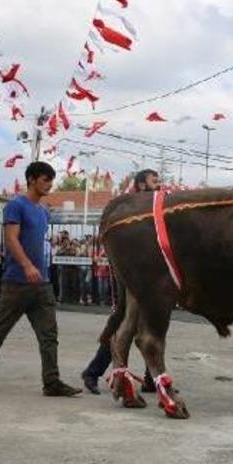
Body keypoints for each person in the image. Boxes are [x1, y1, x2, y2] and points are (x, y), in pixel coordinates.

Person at [0, 162, 81, 397]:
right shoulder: (16, 205)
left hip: (42, 283)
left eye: (51, 180)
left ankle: (52, 382)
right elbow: (11, 239)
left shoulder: (42, 211)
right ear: (31, 179)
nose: (49, 184)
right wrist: (27, 265)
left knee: (49, 335)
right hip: (16, 282)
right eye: (45, 179)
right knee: (0, 331)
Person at [81, 169, 159, 394]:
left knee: (150, 326)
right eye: (155, 181)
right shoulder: (131, 210)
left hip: (148, 277)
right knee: (126, 325)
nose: (159, 185)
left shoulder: (151, 210)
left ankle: (151, 378)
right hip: (131, 276)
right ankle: (93, 372)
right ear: (142, 185)